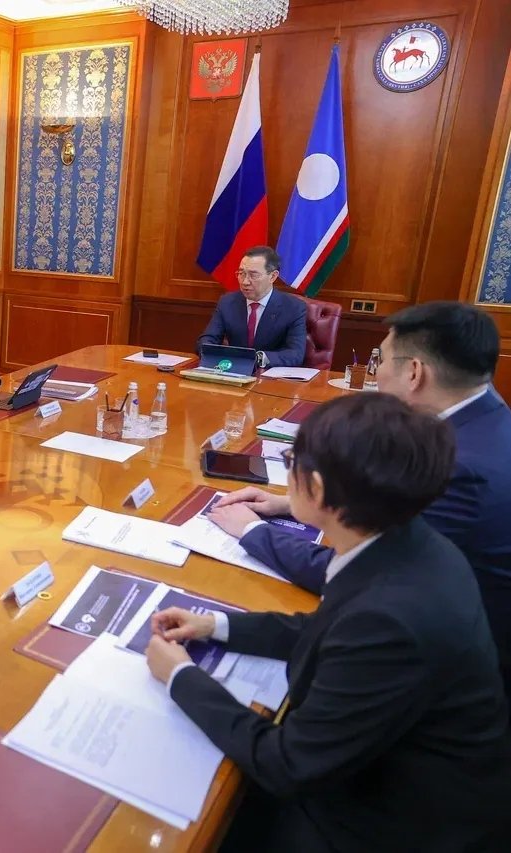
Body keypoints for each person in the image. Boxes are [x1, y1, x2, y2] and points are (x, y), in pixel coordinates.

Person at [146, 394, 511, 851]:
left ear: (316, 490)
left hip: (394, 823)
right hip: (384, 769)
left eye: (291, 462)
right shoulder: (406, 541)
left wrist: (180, 677)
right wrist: (216, 626)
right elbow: (327, 629)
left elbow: (288, 765)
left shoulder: (389, 622)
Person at [210, 301, 511, 704]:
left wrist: (251, 530)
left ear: (414, 373)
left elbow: (364, 571)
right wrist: (293, 503)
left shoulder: (460, 468)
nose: (375, 374)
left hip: (441, 681)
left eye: (379, 361)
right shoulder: (485, 417)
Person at [196, 246, 307, 367]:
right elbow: (207, 339)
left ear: (273, 276)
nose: (245, 282)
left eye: (253, 275)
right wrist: (214, 352)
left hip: (268, 375)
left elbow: (295, 354)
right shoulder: (227, 302)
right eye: (241, 273)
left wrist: (258, 358)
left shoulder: (294, 308)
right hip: (232, 370)